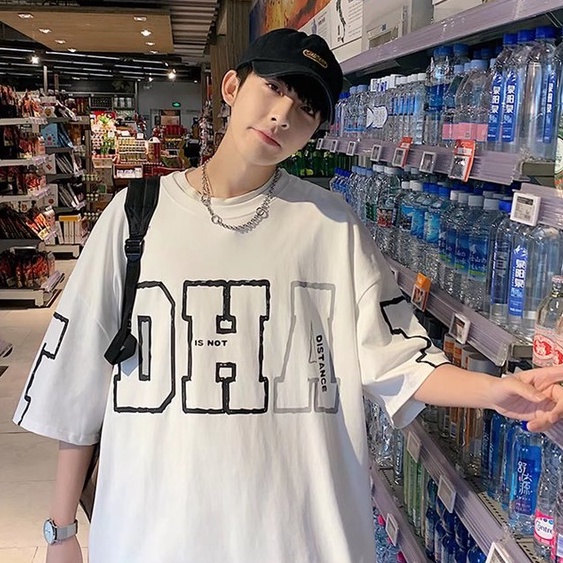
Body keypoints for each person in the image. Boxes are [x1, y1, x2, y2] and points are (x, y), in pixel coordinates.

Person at [13, 28, 563, 563]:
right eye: (274, 87)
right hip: (155, 532)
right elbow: (79, 381)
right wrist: (61, 530)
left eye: (306, 109)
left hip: (298, 535)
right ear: (232, 86)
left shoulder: (330, 226)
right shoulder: (136, 216)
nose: (282, 115)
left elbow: (396, 358)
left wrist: (496, 391)